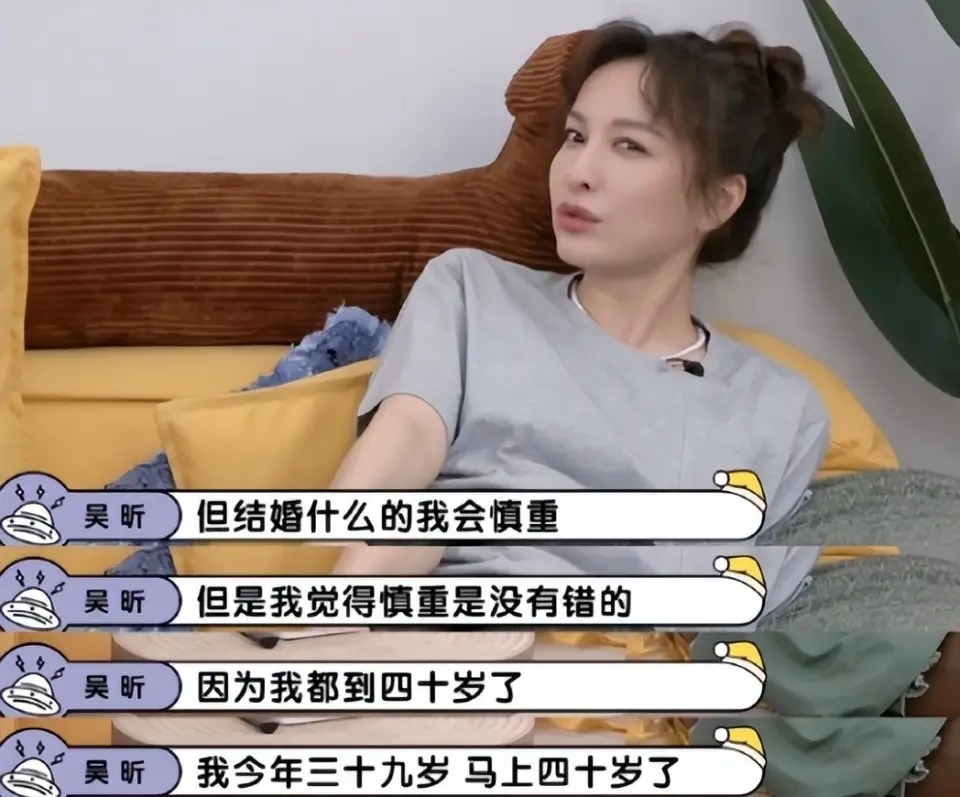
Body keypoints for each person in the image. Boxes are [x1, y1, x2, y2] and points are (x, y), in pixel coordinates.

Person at [327, 19, 830, 616]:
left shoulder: (781, 409)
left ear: (718, 201)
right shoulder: (472, 291)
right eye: (574, 136)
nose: (578, 171)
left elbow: (756, 625)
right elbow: (405, 438)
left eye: (630, 146)